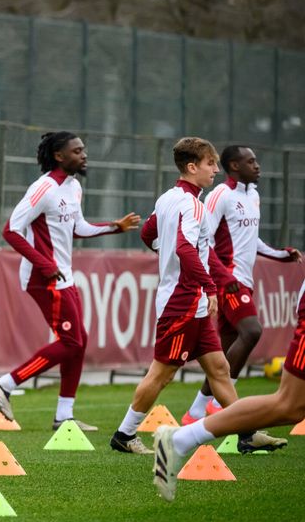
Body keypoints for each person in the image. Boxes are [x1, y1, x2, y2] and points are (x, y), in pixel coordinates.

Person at [0, 131, 140, 430]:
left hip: (63, 276)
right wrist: (43, 264)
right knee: (71, 341)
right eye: (77, 151)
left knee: (78, 342)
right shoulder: (43, 187)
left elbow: (79, 228)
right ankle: (6, 383)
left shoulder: (74, 187)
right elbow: (10, 230)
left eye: (83, 150)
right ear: (59, 156)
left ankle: (64, 416)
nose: (84, 155)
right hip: (42, 277)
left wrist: (114, 227)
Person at [109, 137, 238, 455]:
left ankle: (245, 432)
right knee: (161, 373)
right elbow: (184, 248)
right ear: (192, 167)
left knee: (219, 368)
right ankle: (124, 435)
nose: (215, 170)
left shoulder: (168, 198)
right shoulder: (192, 204)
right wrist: (209, 287)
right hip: (183, 301)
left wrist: (164, 253)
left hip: (187, 301)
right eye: (211, 164)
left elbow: (147, 233)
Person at [179, 144, 298, 451]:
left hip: (244, 280)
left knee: (225, 351)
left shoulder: (253, 195)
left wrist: (279, 254)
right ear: (234, 166)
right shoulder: (220, 195)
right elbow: (204, 238)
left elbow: (250, 239)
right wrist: (224, 278)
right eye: (250, 161)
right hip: (229, 281)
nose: (257, 166)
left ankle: (195, 413)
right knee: (252, 331)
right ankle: (224, 408)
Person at [153, 278, 305, 502]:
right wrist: (221, 280)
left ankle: (188, 431)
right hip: (192, 298)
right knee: (290, 405)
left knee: (222, 368)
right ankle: (179, 439)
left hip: (208, 296)